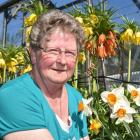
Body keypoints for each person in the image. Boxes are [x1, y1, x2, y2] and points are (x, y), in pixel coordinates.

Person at [0, 9, 89, 140]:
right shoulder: (13, 95)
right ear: (33, 54)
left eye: (70, 53)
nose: (62, 61)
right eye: (53, 51)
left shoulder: (76, 98)